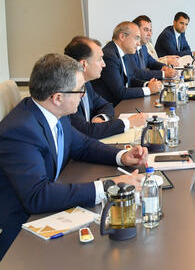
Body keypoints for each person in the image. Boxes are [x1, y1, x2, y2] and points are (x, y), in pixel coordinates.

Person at [0, 54, 147, 260]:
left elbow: (83, 145)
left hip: (49, 207)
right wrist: (108, 186)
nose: (83, 95)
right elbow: (37, 196)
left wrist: (122, 156)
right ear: (58, 97)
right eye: (80, 90)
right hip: (22, 234)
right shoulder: (21, 130)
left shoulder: (53, 113)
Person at [64, 36, 147, 139]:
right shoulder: (67, 91)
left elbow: (106, 105)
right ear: (84, 64)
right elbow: (86, 131)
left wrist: (100, 117)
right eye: (100, 59)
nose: (104, 64)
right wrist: (129, 122)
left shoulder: (86, 84)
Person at [92, 22, 162, 106]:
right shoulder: (110, 56)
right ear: (122, 37)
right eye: (136, 38)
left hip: (123, 103)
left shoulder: (125, 53)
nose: (138, 43)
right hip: (112, 106)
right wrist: (149, 90)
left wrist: (148, 84)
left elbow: (131, 80)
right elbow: (120, 92)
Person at [130, 15, 178, 80]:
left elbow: (152, 62)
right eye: (146, 30)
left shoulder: (143, 47)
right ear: (136, 30)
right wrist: (163, 74)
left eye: (150, 30)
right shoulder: (129, 49)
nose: (149, 34)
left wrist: (164, 67)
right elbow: (137, 73)